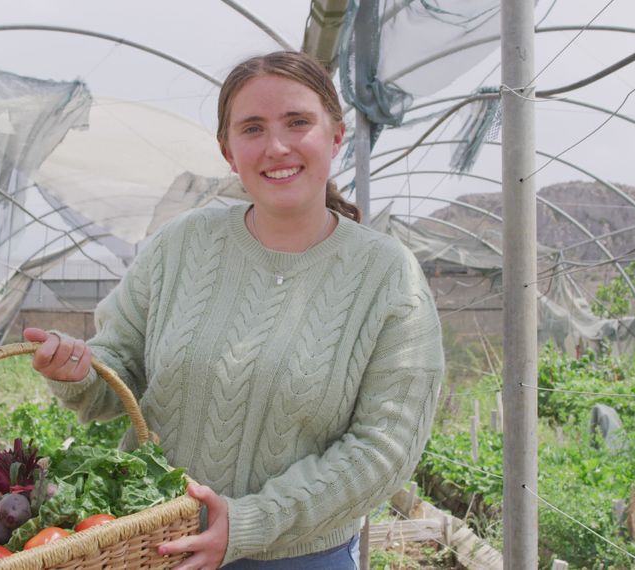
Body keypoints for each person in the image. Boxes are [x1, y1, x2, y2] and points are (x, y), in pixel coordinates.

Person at [24, 51, 444, 570]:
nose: (276, 146)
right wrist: (79, 370)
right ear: (228, 151)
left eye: (297, 122)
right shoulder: (180, 245)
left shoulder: (388, 277)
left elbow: (385, 448)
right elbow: (122, 369)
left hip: (301, 559)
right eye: (252, 128)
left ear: (335, 136)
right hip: (153, 549)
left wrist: (249, 523)